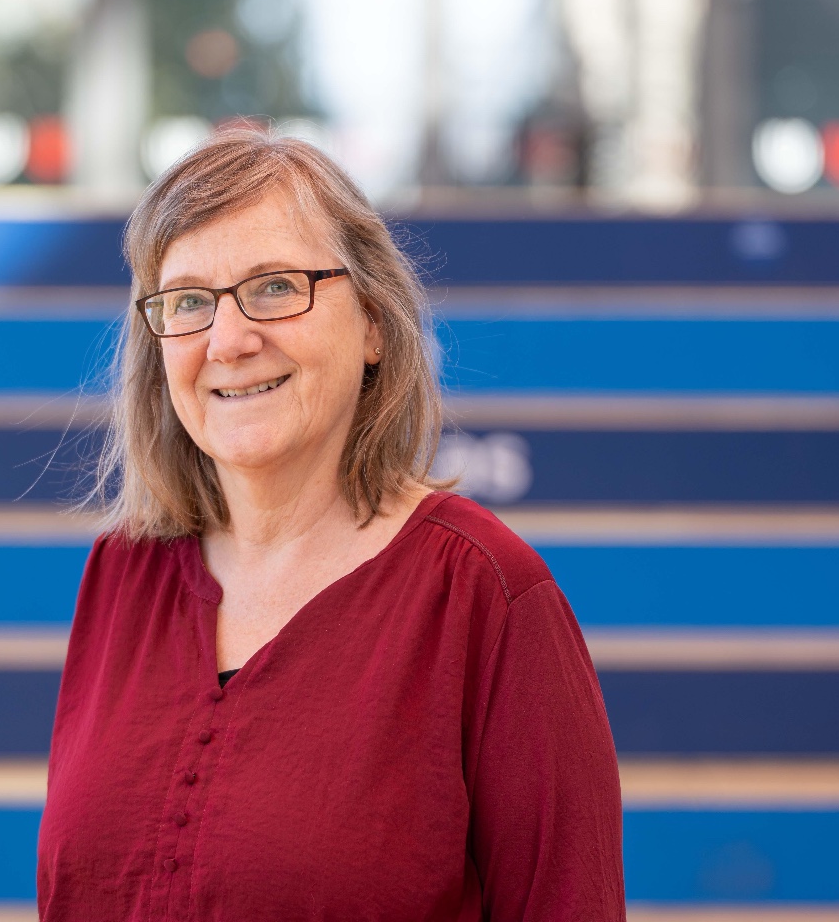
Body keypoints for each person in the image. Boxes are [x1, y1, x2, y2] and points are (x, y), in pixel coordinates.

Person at [37, 129, 625, 921]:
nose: (228, 341)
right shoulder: (123, 571)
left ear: (374, 323)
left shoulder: (485, 594)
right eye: (189, 301)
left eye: (276, 286)